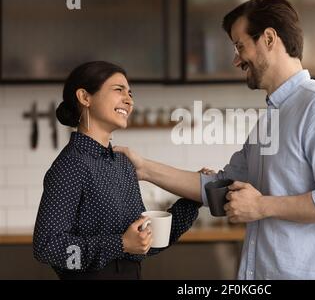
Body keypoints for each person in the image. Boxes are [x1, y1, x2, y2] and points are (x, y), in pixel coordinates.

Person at [115, 0, 315, 279]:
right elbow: (220, 187)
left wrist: (261, 206)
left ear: (269, 39)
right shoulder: (269, 120)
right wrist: (145, 168)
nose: (236, 59)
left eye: (240, 45)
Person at [33, 61, 201, 280]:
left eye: (130, 93)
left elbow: (144, 245)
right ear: (85, 97)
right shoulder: (71, 165)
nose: (129, 99)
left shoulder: (122, 164)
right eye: (118, 90)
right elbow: (47, 247)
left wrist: (196, 196)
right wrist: (120, 244)